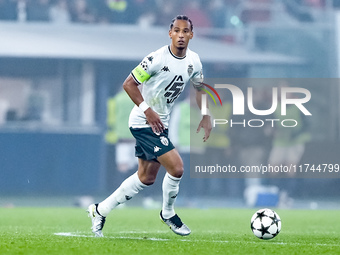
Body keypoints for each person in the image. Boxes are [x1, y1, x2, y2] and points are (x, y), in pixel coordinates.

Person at [88, 15, 212, 237]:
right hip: (144, 121)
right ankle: (168, 213)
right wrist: (147, 109)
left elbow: (200, 88)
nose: (181, 35)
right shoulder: (156, 58)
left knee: (146, 177)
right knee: (177, 168)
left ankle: (100, 210)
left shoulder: (194, 61)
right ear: (170, 33)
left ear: (191, 35)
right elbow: (130, 84)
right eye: (177, 31)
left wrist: (205, 115)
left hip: (160, 123)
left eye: (186, 31)